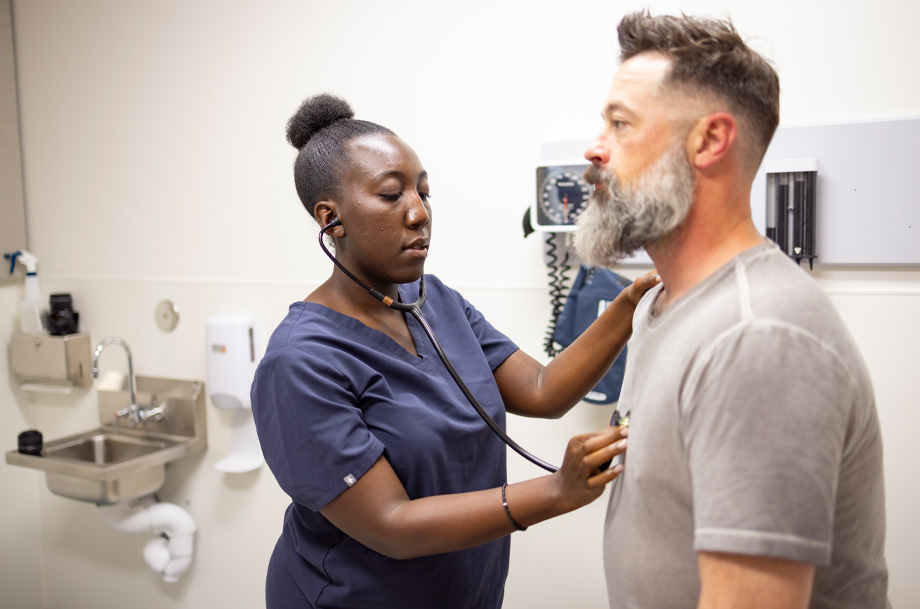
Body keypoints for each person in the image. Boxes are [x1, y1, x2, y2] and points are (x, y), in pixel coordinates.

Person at [251, 93, 658, 608]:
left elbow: (542, 390)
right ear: (331, 219)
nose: (419, 213)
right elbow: (391, 524)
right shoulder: (300, 362)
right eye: (391, 195)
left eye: (423, 192)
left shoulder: (433, 300)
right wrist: (557, 491)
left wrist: (630, 303)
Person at [574, 11, 890, 609]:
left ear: (711, 141)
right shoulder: (665, 305)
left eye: (621, 124)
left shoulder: (758, 336)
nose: (594, 148)